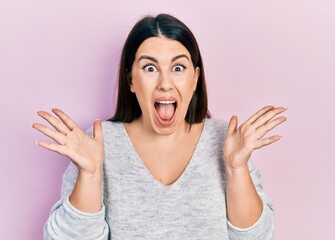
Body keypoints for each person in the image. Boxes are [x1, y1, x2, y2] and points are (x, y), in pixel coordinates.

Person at [33, 13, 286, 239]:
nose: (165, 83)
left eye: (178, 67)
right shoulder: (98, 143)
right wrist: (89, 176)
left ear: (195, 78)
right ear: (131, 80)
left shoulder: (227, 141)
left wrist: (235, 168)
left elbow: (257, 237)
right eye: (150, 68)